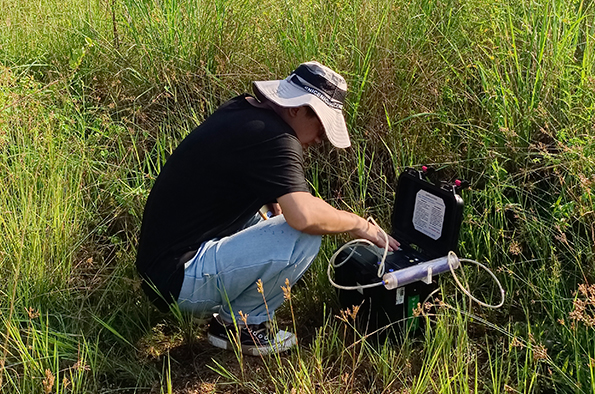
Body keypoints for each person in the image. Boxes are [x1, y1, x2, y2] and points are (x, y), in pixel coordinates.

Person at [135, 61, 399, 356]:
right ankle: (242, 328)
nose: (321, 139)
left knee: (276, 215)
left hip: (160, 270)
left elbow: (255, 183)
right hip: (179, 282)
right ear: (296, 109)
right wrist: (359, 224)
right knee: (304, 234)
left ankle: (230, 317)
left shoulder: (246, 112)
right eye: (322, 125)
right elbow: (304, 217)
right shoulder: (277, 138)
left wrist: (276, 207)